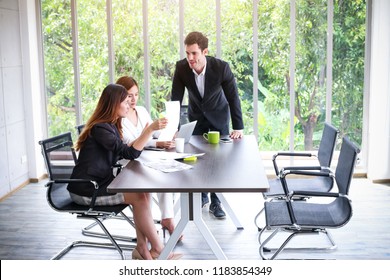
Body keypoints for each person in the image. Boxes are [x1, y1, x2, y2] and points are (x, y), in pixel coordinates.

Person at [67, 84, 182, 260]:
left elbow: (129, 150)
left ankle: (142, 249)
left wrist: (148, 132)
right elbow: (131, 153)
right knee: (138, 196)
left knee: (142, 191)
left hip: (100, 182)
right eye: (125, 101)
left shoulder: (111, 126)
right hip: (85, 190)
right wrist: (149, 129)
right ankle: (159, 248)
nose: (129, 105)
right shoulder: (101, 129)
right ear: (114, 104)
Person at [171, 31, 244, 219]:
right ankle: (202, 195)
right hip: (196, 118)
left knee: (218, 161)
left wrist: (238, 127)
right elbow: (175, 100)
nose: (190, 58)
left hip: (219, 117)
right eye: (187, 53)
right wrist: (174, 129)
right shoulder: (181, 68)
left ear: (205, 51)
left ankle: (216, 201)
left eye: (194, 53)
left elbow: (233, 97)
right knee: (196, 157)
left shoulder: (221, 68)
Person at [116, 75, 182, 240]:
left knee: (164, 170)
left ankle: (167, 218)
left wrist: (169, 132)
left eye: (136, 94)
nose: (133, 99)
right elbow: (129, 144)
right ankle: (150, 225)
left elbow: (153, 132)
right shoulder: (119, 117)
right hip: (128, 162)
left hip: (144, 156)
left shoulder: (142, 111)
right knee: (153, 175)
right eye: (129, 95)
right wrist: (156, 144)